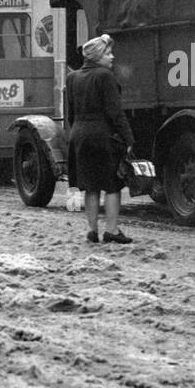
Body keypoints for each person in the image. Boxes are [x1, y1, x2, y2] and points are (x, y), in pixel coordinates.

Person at [65, 33, 135, 244]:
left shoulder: (72, 78)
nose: (112, 57)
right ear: (97, 56)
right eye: (108, 53)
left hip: (79, 135)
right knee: (113, 184)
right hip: (101, 135)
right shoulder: (105, 76)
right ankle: (112, 230)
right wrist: (129, 139)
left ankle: (92, 230)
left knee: (90, 184)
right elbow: (115, 113)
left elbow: (70, 114)